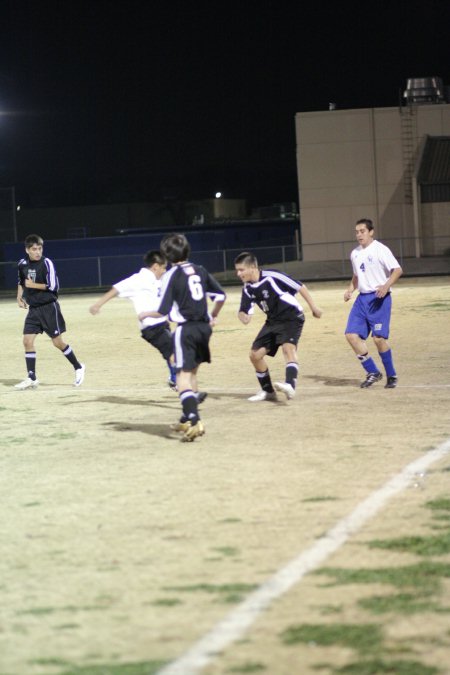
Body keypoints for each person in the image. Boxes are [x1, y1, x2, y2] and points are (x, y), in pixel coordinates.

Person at [138, 233, 226, 442]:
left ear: (167, 255)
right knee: (191, 374)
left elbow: (163, 311)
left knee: (181, 377)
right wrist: (212, 315)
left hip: (185, 329)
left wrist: (145, 314)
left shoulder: (171, 275)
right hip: (204, 328)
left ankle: (194, 421)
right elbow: (221, 296)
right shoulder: (200, 270)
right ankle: (186, 418)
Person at [234, 252, 322, 401]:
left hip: (291, 316)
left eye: (241, 270)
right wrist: (243, 315)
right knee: (255, 355)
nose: (238, 273)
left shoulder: (272, 276)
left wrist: (314, 307)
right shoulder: (247, 288)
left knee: (288, 349)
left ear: (253, 267)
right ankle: (268, 391)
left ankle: (290, 386)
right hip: (272, 321)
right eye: (237, 270)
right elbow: (245, 313)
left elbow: (299, 286)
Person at [89, 249, 177, 389]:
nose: (164, 270)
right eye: (163, 267)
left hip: (161, 323)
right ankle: (184, 386)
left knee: (172, 351)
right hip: (151, 327)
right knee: (175, 353)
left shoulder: (157, 279)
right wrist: (97, 305)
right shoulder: (138, 279)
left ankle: (174, 379)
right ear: (155, 266)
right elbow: (117, 289)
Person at [15, 234, 85, 390]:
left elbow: (53, 286)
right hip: (34, 309)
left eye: (40, 248)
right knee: (27, 341)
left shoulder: (47, 263)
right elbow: (21, 281)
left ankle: (78, 367)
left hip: (49, 307)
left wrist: (33, 285)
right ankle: (32, 377)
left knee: (57, 342)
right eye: (34, 249)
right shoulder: (22, 264)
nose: (38, 252)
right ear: (27, 250)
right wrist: (19, 297)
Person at [344, 218, 403, 389]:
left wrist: (386, 286)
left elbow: (397, 270)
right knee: (351, 336)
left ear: (371, 232)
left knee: (378, 339)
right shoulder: (354, 253)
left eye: (362, 231)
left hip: (379, 299)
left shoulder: (380, 250)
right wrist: (350, 290)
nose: (359, 235)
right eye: (356, 232)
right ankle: (372, 372)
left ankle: (391, 375)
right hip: (361, 300)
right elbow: (356, 276)